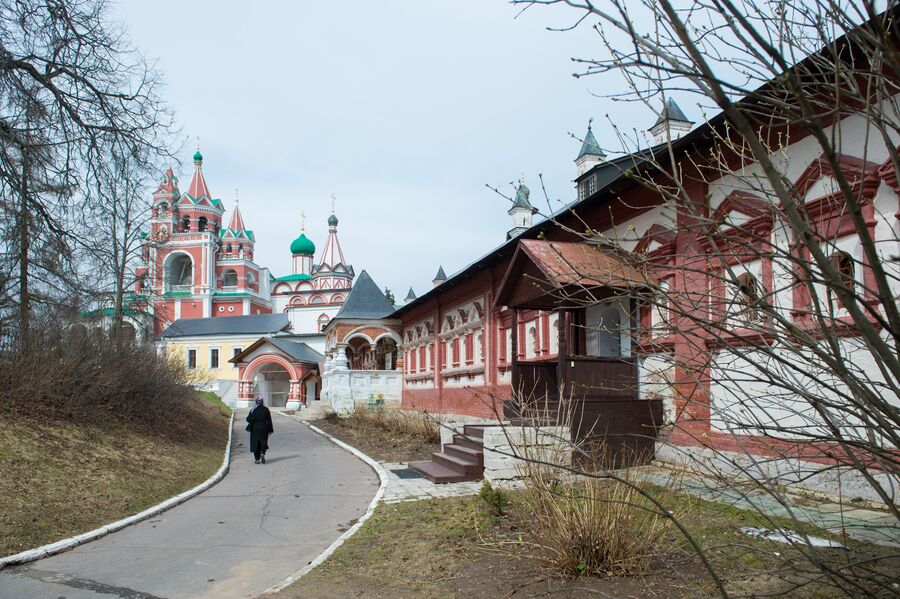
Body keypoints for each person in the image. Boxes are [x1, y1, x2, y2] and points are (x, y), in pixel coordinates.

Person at [246, 396, 274, 464]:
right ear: (262, 402)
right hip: (264, 428)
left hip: (255, 428)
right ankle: (262, 453)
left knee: (255, 443)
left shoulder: (253, 409)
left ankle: (257, 459)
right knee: (263, 442)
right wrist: (270, 430)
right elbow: (269, 420)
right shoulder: (266, 409)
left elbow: (248, 419)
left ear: (256, 401)